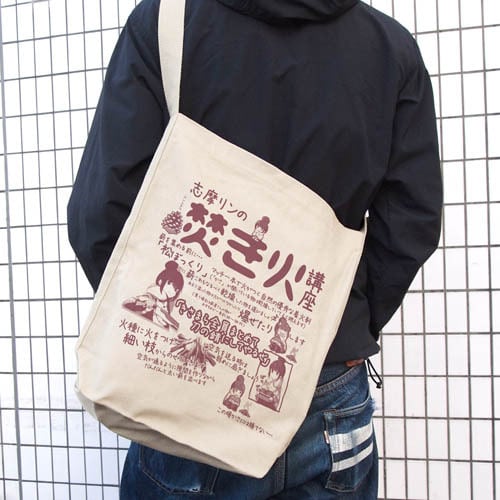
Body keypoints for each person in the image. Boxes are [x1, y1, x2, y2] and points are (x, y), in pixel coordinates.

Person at [67, 0, 442, 497]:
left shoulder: (165, 22)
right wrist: (345, 327)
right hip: (326, 385)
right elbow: (412, 220)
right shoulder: (391, 50)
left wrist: (167, 313)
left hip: (185, 376)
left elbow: (99, 213)